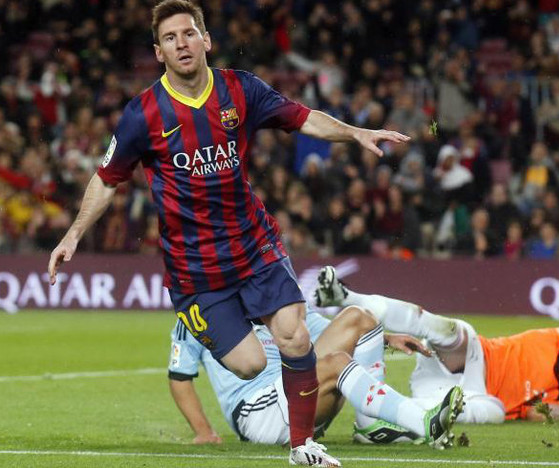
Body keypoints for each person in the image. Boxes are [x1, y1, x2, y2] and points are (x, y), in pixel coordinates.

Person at [46, 1, 409, 465]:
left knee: (295, 338)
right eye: (171, 38)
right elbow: (107, 177)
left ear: (206, 40)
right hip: (195, 268)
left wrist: (355, 132)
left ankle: (302, 446)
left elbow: (302, 116)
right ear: (159, 52)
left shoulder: (240, 89)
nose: (182, 43)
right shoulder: (143, 114)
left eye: (189, 33)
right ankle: (256, 367)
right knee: (250, 364)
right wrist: (74, 234)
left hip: (254, 244)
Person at [315, 266, 559, 429]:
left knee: (496, 412)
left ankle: (378, 421)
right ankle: (348, 298)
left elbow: (534, 413)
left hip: (464, 394)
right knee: (455, 330)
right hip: (474, 358)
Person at [168, 305, 463, 447]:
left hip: (296, 391)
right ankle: (423, 422)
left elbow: (332, 332)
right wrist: (204, 431)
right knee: (335, 363)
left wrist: (385, 338)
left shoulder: (273, 297)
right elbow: (179, 376)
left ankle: (370, 426)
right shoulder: (201, 314)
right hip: (259, 412)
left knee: (359, 317)